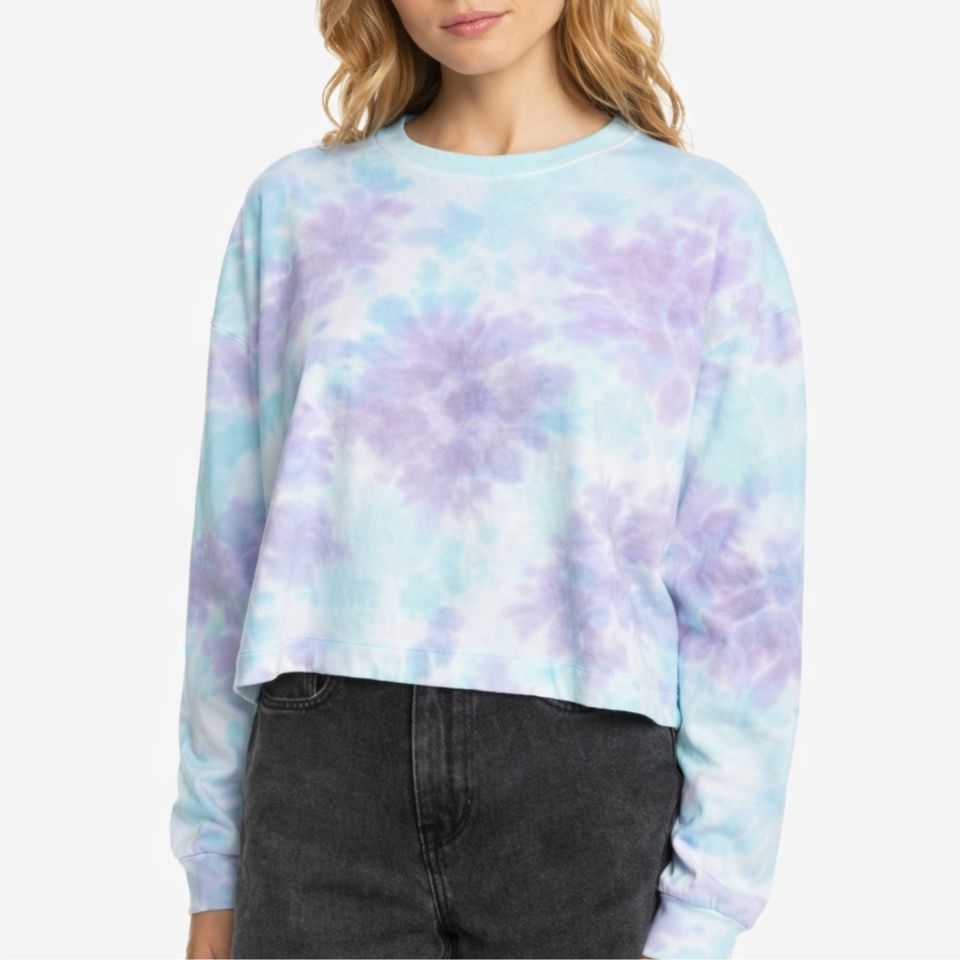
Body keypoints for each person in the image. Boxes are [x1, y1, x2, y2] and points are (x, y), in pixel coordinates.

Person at [170, 0, 807, 957]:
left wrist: (712, 905)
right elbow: (231, 553)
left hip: (583, 783)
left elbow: (744, 584)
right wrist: (213, 865)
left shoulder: (697, 219)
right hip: (321, 772)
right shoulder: (299, 207)